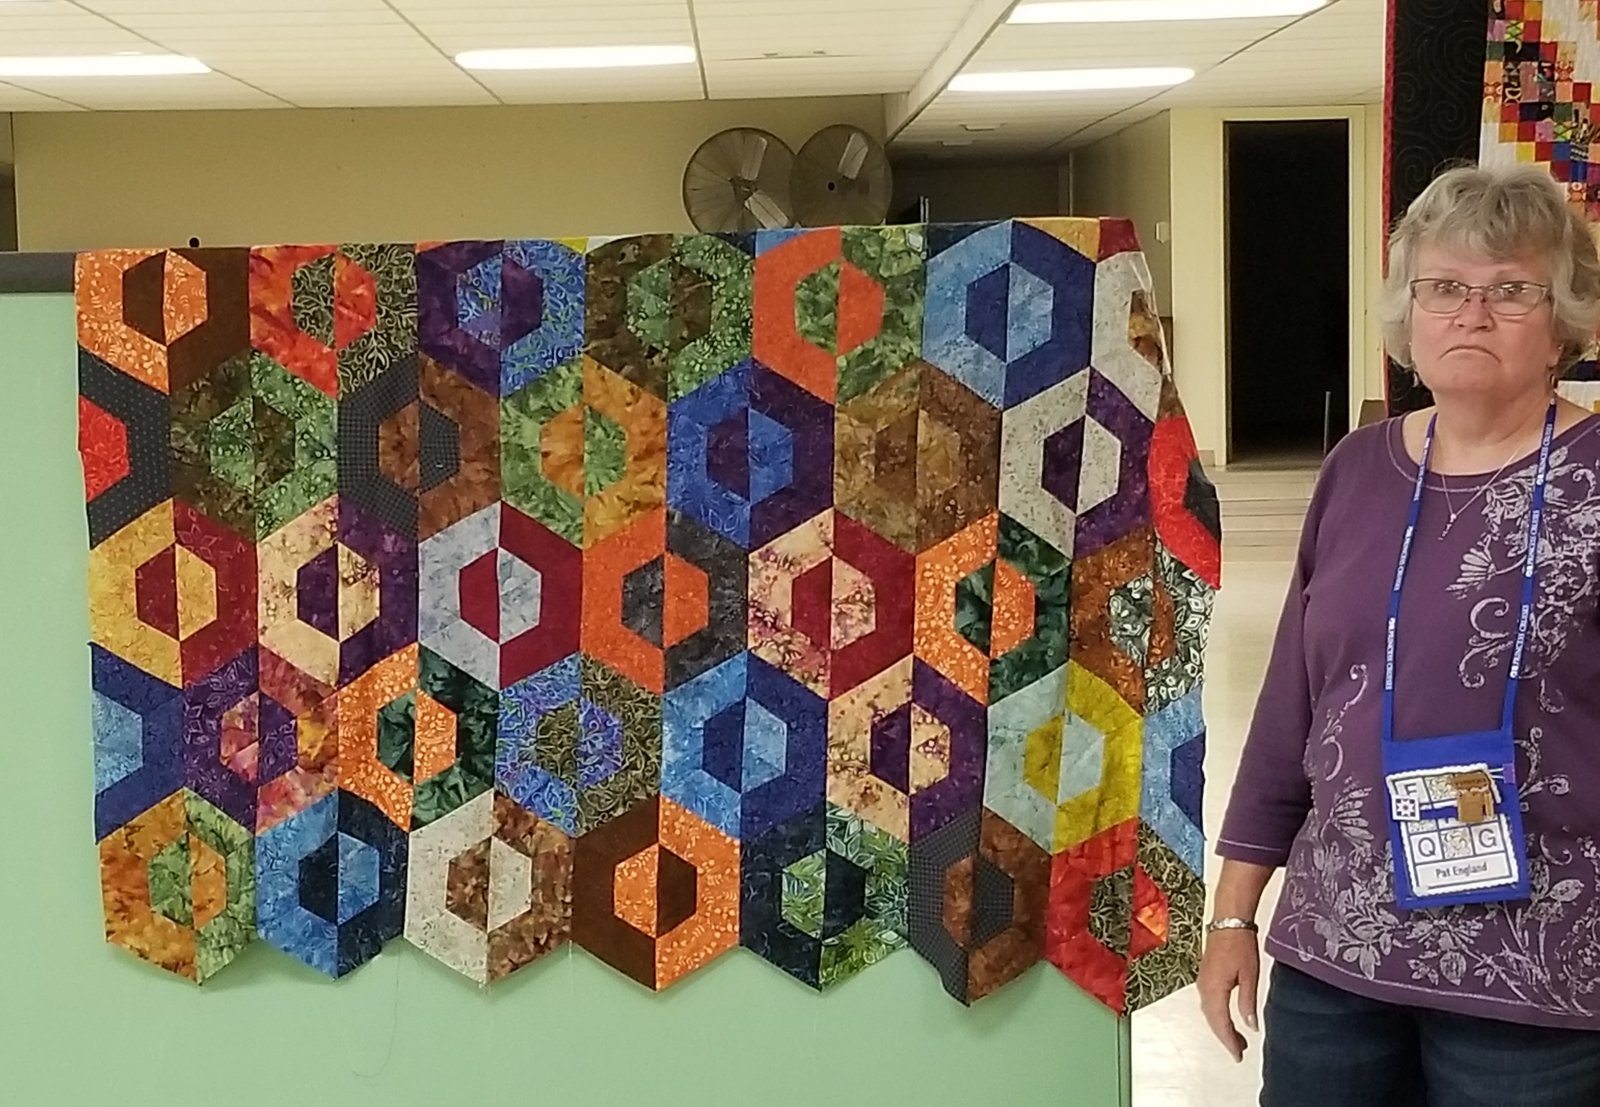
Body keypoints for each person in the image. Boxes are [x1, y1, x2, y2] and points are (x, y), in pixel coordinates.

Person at [1199, 163, 1600, 1106]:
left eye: (1511, 289)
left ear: (1564, 324)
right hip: (1337, 955)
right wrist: (1232, 918)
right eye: (1444, 287)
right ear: (1408, 315)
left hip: (1538, 975)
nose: (1473, 314)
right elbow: (1292, 709)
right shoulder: (1356, 470)